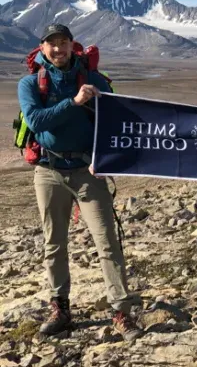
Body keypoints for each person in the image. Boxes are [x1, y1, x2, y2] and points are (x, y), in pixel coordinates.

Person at [18, 24, 143, 341]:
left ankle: (120, 312)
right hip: (48, 170)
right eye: (52, 44)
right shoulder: (30, 84)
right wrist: (73, 102)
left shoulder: (95, 80)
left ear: (73, 46)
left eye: (63, 43)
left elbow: (119, 118)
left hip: (88, 172)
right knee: (54, 243)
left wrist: (104, 155)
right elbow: (36, 121)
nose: (58, 49)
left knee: (107, 242)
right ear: (42, 48)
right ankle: (60, 308)